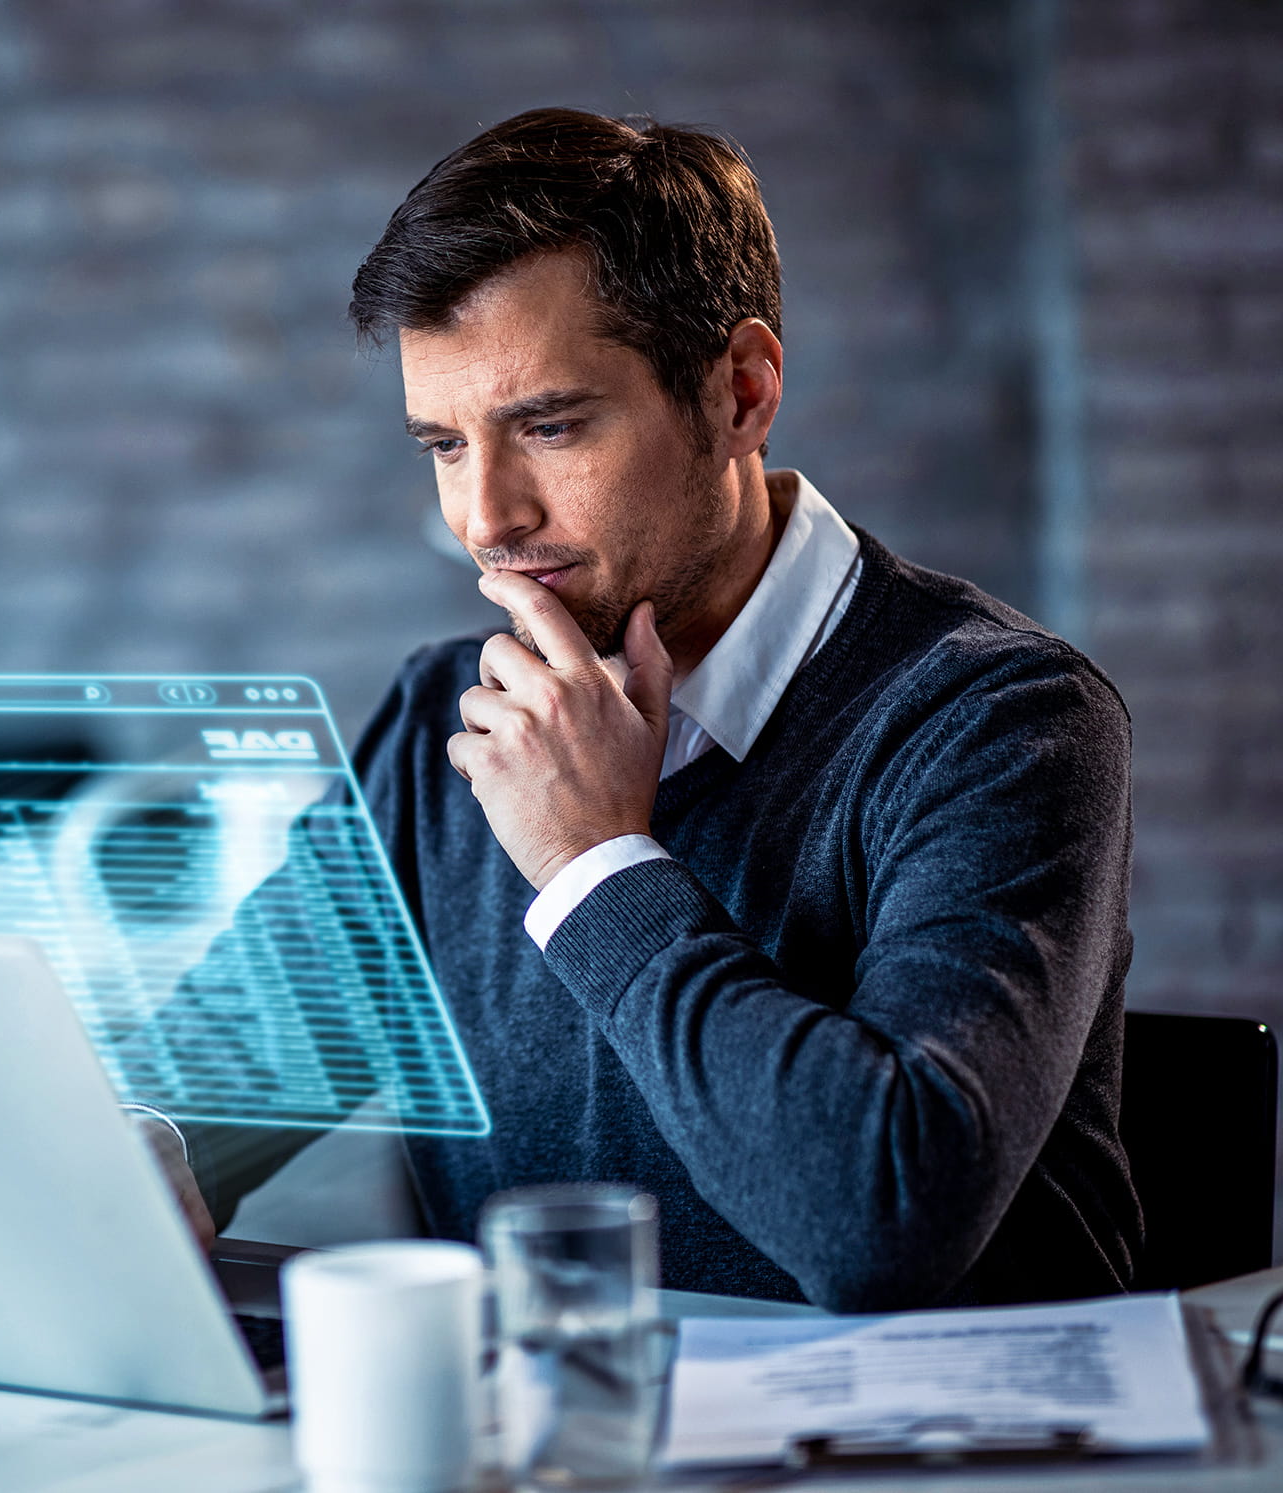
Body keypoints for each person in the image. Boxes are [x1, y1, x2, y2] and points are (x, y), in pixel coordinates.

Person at [133, 107, 1138, 1312]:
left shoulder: (998, 718)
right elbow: (214, 1086)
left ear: (740, 389)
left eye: (547, 426)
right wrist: (138, 1149)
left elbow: (878, 1217)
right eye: (443, 444)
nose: (483, 517)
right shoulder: (436, 729)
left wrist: (590, 857)